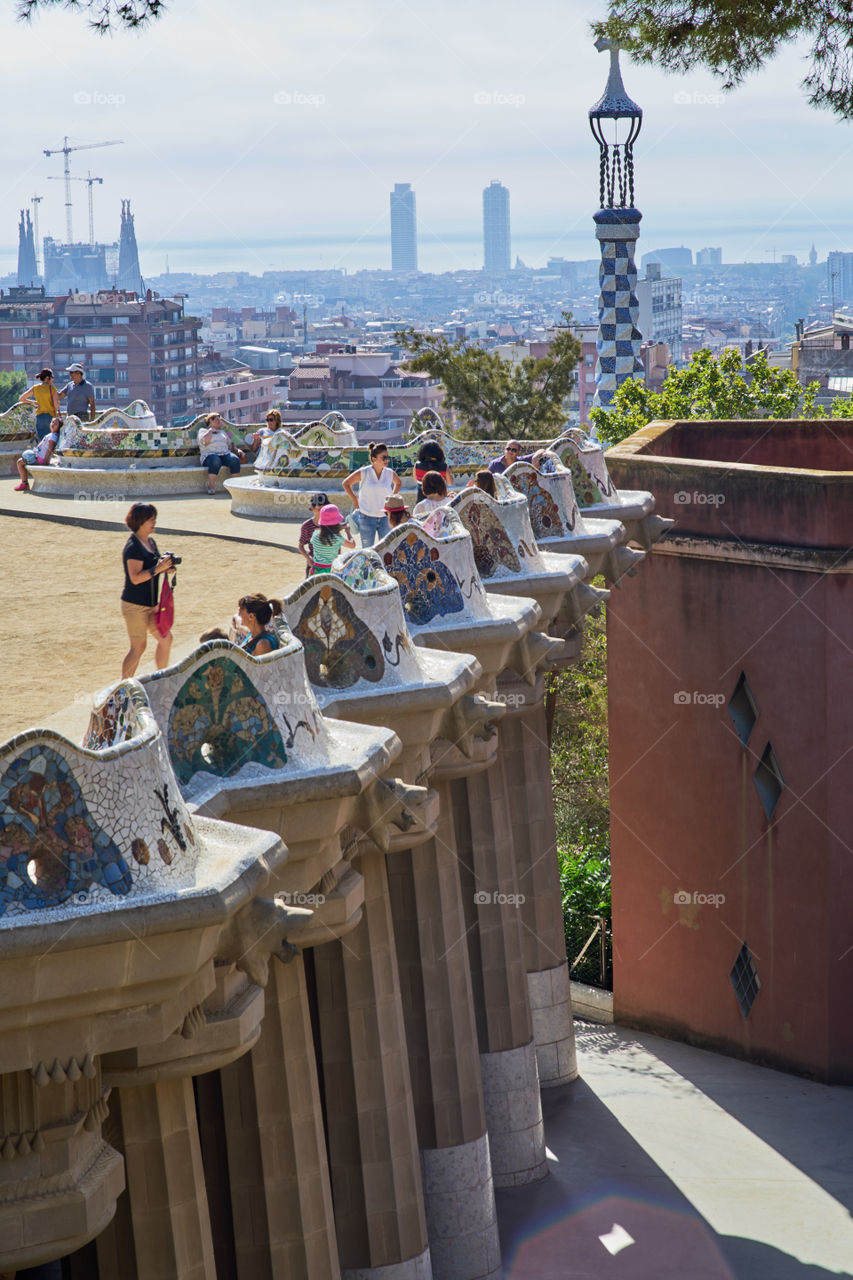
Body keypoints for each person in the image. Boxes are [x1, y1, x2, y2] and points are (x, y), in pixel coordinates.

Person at [120, 503, 175, 678]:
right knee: (138, 647)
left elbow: (153, 568)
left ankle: (160, 677)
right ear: (140, 522)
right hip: (134, 606)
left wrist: (166, 568)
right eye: (150, 519)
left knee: (166, 638)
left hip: (151, 605)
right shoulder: (133, 547)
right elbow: (135, 578)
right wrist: (158, 569)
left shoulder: (150, 542)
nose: (154, 522)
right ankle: (123, 688)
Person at [342, 441, 401, 546]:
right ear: (374, 459)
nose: (387, 460)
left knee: (386, 548)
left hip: (385, 517)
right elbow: (346, 483)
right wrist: (355, 500)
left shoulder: (389, 473)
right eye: (384, 457)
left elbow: (398, 483)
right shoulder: (364, 472)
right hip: (366, 517)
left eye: (388, 457)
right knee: (367, 550)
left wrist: (392, 498)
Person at [198, 412, 246, 494]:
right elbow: (204, 442)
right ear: (210, 420)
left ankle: (235, 486)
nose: (218, 421)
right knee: (216, 460)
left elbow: (229, 445)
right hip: (209, 455)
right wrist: (210, 431)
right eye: (216, 419)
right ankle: (211, 486)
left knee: (234, 460)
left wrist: (238, 450)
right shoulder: (203, 431)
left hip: (224, 454)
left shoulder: (222, 432)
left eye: (219, 420)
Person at [14, 417, 60, 490]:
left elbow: (50, 449)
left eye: (56, 423)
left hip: (41, 460)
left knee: (20, 462)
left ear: (59, 427)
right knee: (22, 460)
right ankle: (24, 483)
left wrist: (45, 460)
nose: (53, 424)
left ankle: (24, 483)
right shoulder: (51, 435)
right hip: (38, 457)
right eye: (52, 422)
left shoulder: (53, 436)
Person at [17, 368, 61, 442]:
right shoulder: (52, 388)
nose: (53, 380)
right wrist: (58, 404)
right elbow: (56, 405)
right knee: (51, 439)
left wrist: (33, 402)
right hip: (50, 418)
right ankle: (50, 453)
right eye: (52, 378)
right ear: (47, 378)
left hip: (39, 417)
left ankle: (41, 453)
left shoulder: (35, 388)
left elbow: (21, 398)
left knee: (41, 440)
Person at [310, 504, 355, 574]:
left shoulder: (315, 534)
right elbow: (352, 545)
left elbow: (323, 532)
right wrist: (348, 532)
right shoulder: (337, 538)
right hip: (331, 570)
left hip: (316, 570)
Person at [298, 492, 329, 575]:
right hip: (313, 564)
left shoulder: (331, 524)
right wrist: (308, 558)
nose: (322, 512)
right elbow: (301, 546)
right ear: (312, 508)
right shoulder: (306, 526)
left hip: (330, 564)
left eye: (324, 509)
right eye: (319, 510)